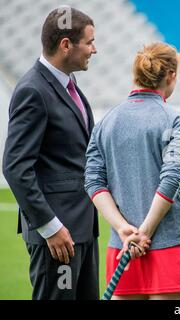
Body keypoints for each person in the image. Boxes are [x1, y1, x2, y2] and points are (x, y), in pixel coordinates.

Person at [84, 42, 180, 300]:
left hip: (122, 245)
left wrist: (124, 228)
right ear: (171, 76)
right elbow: (172, 177)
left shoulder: (106, 122)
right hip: (168, 244)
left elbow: (92, 181)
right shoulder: (174, 118)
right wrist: (144, 231)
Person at [2, 7, 98, 299]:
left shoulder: (71, 86)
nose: (95, 49)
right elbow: (16, 166)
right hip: (57, 237)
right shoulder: (33, 90)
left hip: (81, 228)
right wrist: (50, 227)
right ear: (66, 45)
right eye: (90, 42)